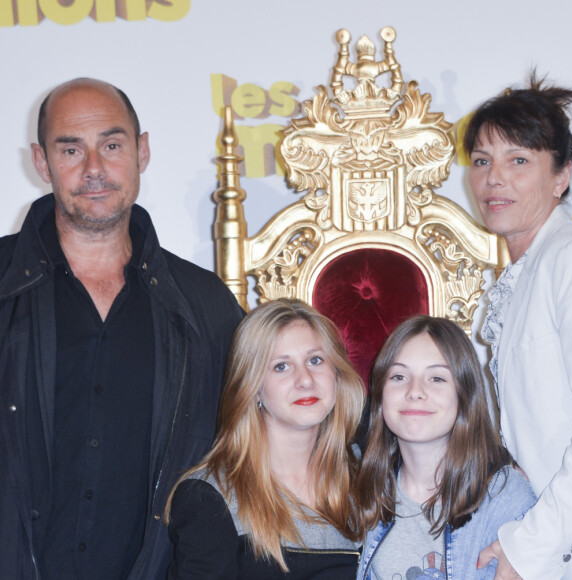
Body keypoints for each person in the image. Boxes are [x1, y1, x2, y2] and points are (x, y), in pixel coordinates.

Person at [0, 78, 243, 579]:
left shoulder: (205, 303)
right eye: (71, 149)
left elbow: (243, 458)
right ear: (41, 162)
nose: (94, 168)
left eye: (111, 145)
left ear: (142, 152)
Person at [463, 75, 572, 580]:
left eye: (518, 161)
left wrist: (531, 544)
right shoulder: (523, 273)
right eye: (483, 161)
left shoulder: (570, 261)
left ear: (561, 176)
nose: (495, 179)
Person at [165, 298, 366, 579]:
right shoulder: (210, 498)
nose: (306, 379)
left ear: (336, 374)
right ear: (254, 388)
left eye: (315, 360)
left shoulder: (368, 474)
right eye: (281, 366)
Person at [356, 316, 536, 580]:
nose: (415, 391)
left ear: (465, 394)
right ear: (380, 394)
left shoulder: (504, 496)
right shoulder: (359, 483)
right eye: (398, 376)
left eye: (436, 378)